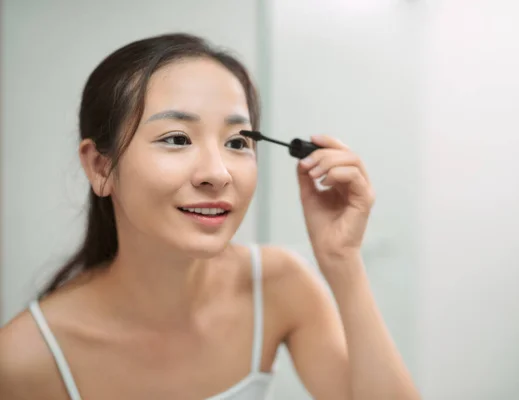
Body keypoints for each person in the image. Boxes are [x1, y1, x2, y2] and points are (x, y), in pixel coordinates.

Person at [0, 33, 420, 400]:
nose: (217, 174)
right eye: (177, 138)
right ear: (100, 167)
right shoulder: (25, 359)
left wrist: (342, 261)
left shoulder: (279, 286)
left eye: (237, 142)